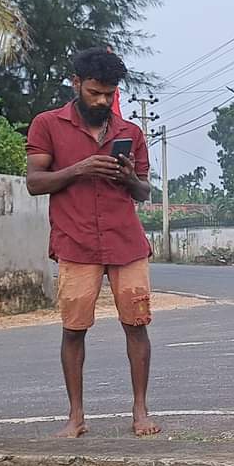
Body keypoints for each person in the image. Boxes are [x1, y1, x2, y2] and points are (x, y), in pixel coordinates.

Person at [25, 48, 159, 438]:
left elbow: (144, 192)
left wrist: (128, 177)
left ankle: (140, 411)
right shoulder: (47, 124)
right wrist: (80, 168)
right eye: (94, 92)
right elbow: (34, 182)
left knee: (137, 325)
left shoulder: (131, 133)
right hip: (76, 242)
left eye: (109, 94)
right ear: (76, 83)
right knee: (73, 329)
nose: (101, 100)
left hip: (126, 243)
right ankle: (76, 417)